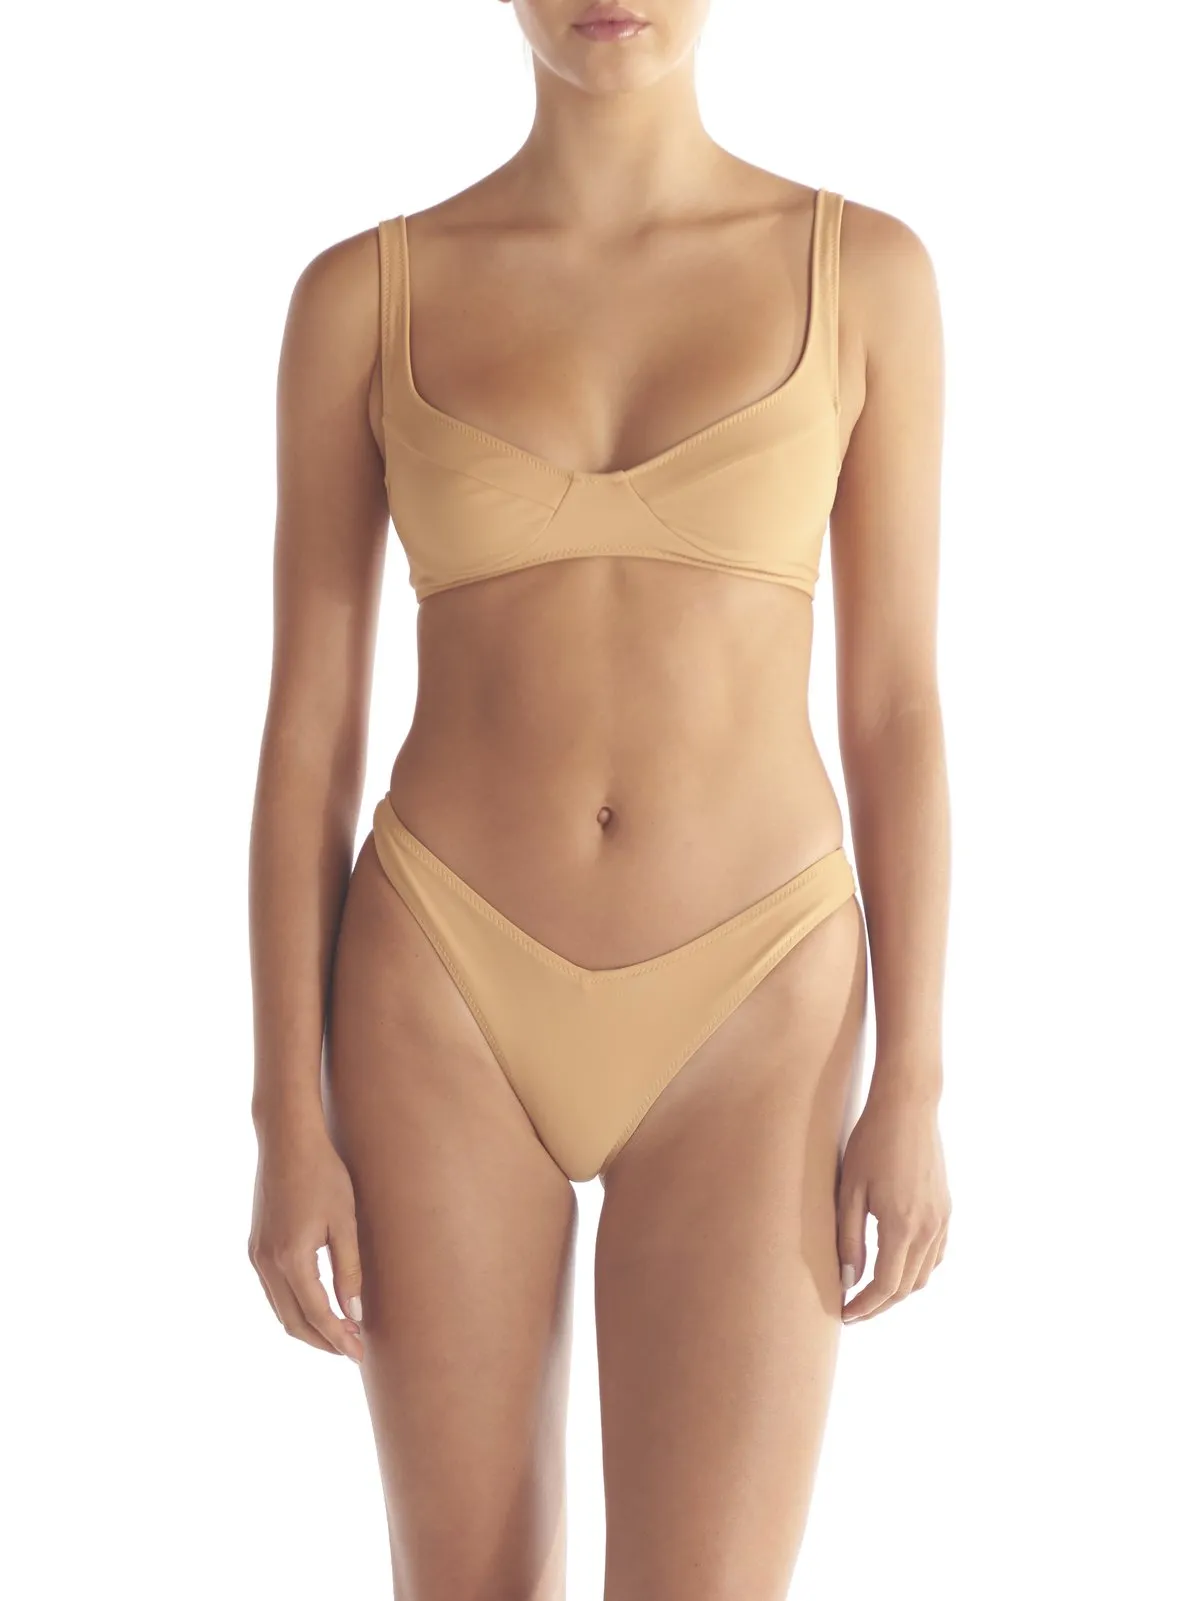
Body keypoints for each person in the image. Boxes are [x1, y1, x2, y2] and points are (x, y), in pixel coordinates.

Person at [247, 1, 952, 1594]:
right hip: (442, 987)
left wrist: (913, 1076)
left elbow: (898, 707)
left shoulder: (865, 276)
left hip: (758, 997)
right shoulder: (365, 295)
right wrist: (286, 1113)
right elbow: (307, 734)